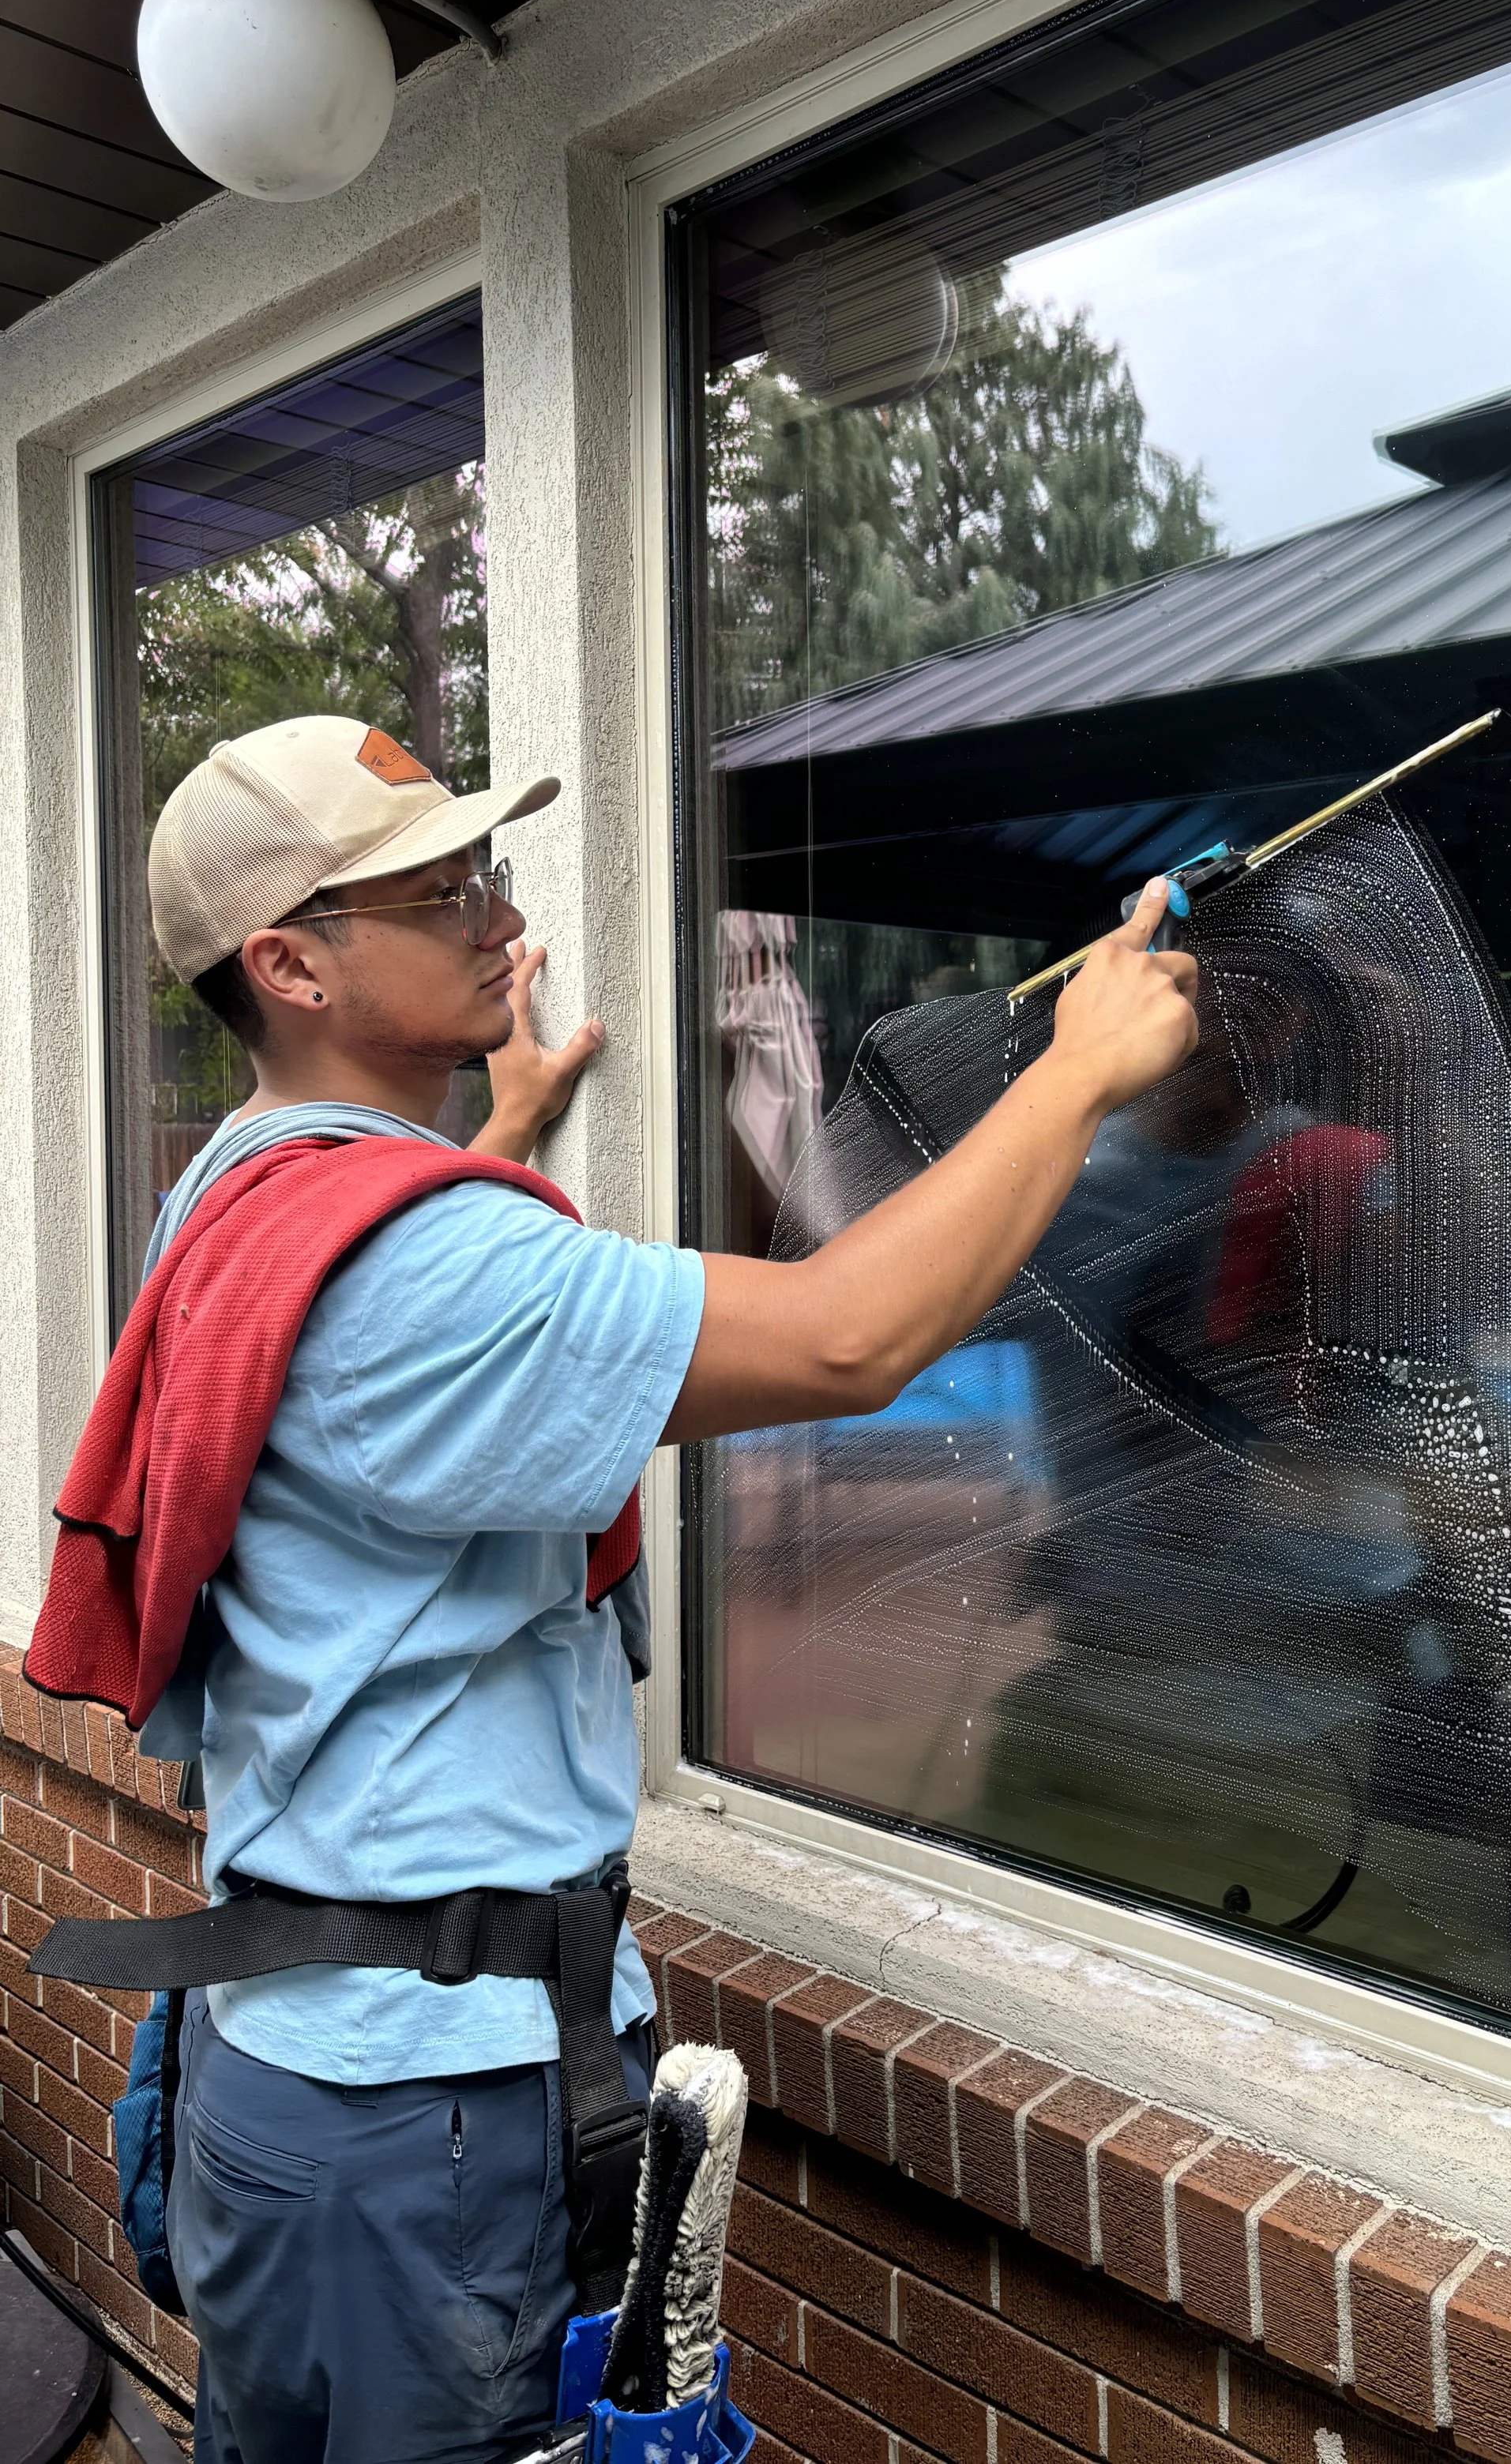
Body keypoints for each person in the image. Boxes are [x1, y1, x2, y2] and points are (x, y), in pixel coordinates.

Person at [37, 716, 1197, 2464]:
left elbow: (400, 1384)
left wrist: (494, 1135)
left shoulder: (234, 1195)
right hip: (430, 2120)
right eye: (445, 891)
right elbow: (846, 1336)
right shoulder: (424, 1259)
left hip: (286, 2065)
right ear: (287, 963)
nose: (502, 912)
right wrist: (1076, 1075)